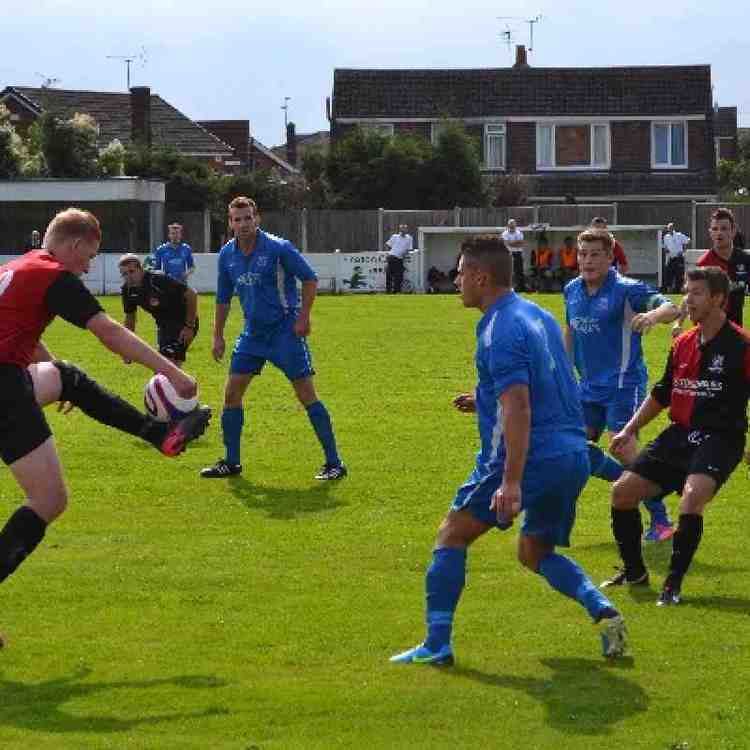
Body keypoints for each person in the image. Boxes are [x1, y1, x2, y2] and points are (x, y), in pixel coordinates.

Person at [390, 235, 627, 666]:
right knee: (534, 552)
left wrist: (511, 481)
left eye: (462, 273)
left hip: (524, 458)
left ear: (481, 277)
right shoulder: (537, 313)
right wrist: (481, 396)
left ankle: (437, 645)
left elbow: (518, 404)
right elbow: (550, 381)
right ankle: (603, 610)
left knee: (452, 533)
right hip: (570, 453)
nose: (457, 280)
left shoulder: (498, 329)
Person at [0, 209, 211, 609]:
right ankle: (161, 433)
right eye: (90, 255)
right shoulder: (54, 276)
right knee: (49, 499)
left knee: (67, 377)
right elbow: (110, 332)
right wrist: (174, 374)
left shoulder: (18, 267)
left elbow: (19, 332)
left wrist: (51, 371)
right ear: (74, 245)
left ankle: (159, 434)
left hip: (9, 376)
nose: (89, 265)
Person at [602, 267, 750, 605]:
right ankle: (635, 572)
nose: (688, 299)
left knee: (692, 497)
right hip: (679, 435)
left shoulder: (741, 346)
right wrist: (628, 429)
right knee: (622, 493)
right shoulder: (683, 342)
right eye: (687, 291)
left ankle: (672, 584)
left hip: (720, 438)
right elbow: (662, 393)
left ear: (718, 299)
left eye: (696, 292)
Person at [201, 196, 346, 481]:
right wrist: (217, 335)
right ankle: (231, 462)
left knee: (306, 394)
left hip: (284, 332)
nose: (243, 224)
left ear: (258, 219)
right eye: (237, 219)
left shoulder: (279, 248)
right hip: (252, 334)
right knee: (231, 394)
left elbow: (310, 279)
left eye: (247, 218)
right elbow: (222, 298)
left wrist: (304, 317)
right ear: (230, 223)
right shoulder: (227, 255)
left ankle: (334, 463)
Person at [564, 228, 680, 541]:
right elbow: (570, 333)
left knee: (622, 446)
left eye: (595, 254)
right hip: (586, 387)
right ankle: (625, 485)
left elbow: (672, 307)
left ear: (610, 256)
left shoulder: (627, 289)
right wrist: (563, 370)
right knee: (572, 448)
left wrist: (653, 316)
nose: (587, 261)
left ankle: (661, 520)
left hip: (622, 385)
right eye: (583, 254)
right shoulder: (571, 290)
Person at [672, 207, 750, 331]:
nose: (719, 233)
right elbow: (690, 295)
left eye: (724, 229)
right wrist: (678, 323)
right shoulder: (705, 263)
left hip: (735, 332)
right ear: (710, 233)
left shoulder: (745, 260)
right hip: (708, 333)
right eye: (715, 229)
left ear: (733, 231)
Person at [119, 253, 199, 364]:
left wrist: (189, 326)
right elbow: (130, 319)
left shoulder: (157, 280)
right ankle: (184, 381)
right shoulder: (127, 291)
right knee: (166, 368)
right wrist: (127, 348)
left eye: (132, 271)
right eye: (124, 274)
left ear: (141, 270)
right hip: (164, 326)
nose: (128, 277)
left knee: (167, 366)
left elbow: (191, 294)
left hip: (183, 322)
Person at [661, 222, 690, 294]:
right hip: (671, 258)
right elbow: (665, 246)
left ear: (674, 228)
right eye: (669, 228)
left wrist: (683, 251)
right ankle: (669, 290)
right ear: (667, 229)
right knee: (669, 274)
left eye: (671, 228)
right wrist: (666, 250)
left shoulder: (679, 235)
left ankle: (678, 290)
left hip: (679, 258)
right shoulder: (666, 237)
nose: (670, 229)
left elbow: (688, 240)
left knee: (679, 275)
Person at [384, 224, 413, 294]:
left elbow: (409, 249)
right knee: (389, 275)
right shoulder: (395, 236)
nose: (403, 230)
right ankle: (389, 291)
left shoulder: (409, 238)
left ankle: (396, 291)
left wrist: (404, 253)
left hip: (399, 258)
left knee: (399, 275)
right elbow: (387, 245)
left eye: (405, 229)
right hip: (391, 257)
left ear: (407, 230)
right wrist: (387, 253)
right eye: (402, 229)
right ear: (400, 230)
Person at [501, 219, 526, 292]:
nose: (512, 225)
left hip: (518, 254)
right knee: (509, 271)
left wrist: (511, 243)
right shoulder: (504, 233)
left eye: (513, 224)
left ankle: (520, 287)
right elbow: (506, 243)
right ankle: (509, 288)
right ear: (508, 225)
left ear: (515, 225)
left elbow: (521, 243)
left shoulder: (519, 233)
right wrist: (516, 243)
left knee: (519, 271)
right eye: (511, 224)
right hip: (509, 254)